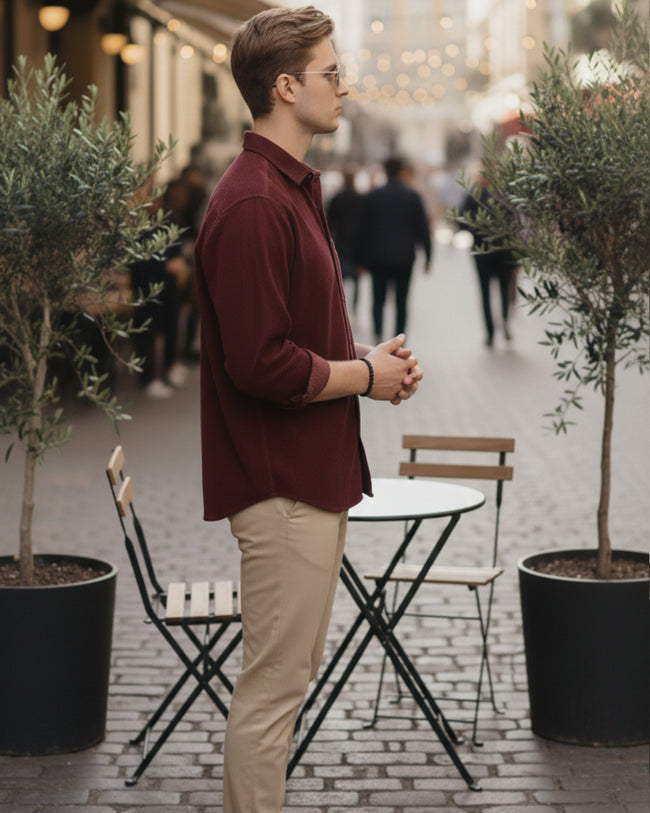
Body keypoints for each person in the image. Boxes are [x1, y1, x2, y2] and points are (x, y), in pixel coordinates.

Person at [193, 6, 423, 811]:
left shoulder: (282, 187)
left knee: (281, 689)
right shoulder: (257, 199)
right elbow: (259, 362)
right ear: (286, 87)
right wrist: (364, 375)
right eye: (332, 73)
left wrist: (370, 367)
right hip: (283, 487)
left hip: (304, 481)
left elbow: (291, 339)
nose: (345, 86)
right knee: (272, 697)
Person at [355, 155, 432, 342]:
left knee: (378, 300)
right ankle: (399, 340)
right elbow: (423, 229)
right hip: (404, 258)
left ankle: (378, 335)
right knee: (401, 301)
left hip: (378, 257)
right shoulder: (413, 196)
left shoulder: (373, 196)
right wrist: (428, 257)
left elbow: (362, 230)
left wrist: (360, 260)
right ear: (401, 171)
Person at [459, 172, 520, 346]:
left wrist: (476, 232)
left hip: (482, 252)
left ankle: (490, 332)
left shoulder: (474, 196)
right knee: (504, 289)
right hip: (504, 251)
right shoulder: (506, 196)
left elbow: (461, 221)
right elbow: (516, 224)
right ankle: (505, 321)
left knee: (485, 292)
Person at [326, 168, 362, 314]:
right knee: (356, 279)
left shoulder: (337, 198)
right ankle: (354, 308)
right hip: (356, 244)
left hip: (340, 242)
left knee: (339, 278)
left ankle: (340, 307)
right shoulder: (360, 199)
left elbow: (329, 223)